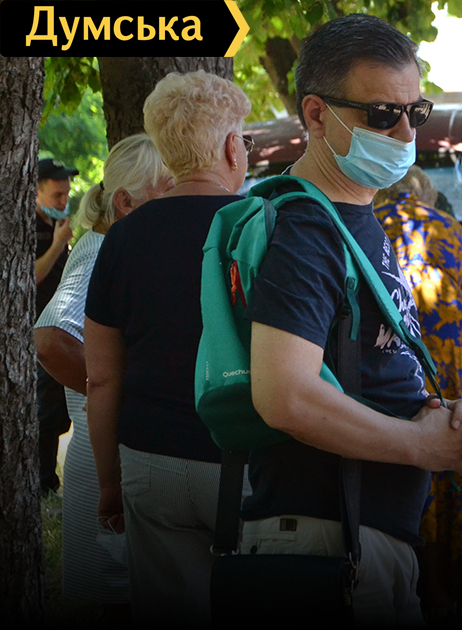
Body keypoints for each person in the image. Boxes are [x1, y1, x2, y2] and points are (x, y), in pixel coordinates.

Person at [240, 15, 462, 625]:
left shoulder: (354, 215)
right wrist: (419, 444)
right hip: (331, 545)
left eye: (416, 111)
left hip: (362, 539)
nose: (406, 132)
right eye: (383, 114)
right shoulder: (308, 229)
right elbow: (284, 396)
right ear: (316, 114)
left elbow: (365, 363)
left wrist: (437, 422)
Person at [84, 71, 250, 624]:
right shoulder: (259, 227)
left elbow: (101, 378)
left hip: (149, 459)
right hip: (244, 454)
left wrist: (109, 482)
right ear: (232, 147)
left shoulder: (122, 237)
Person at [35, 135, 172, 612]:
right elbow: (50, 339)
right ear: (126, 202)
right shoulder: (101, 249)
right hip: (105, 463)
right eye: (168, 189)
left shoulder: (117, 245)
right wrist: (117, 396)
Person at [373, 167, 462, 616]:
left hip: (390, 363)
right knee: (457, 446)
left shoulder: (367, 223)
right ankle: (460, 581)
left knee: (406, 453)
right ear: (426, 195)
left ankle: (420, 582)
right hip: (447, 362)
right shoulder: (448, 227)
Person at [35, 157, 78, 496]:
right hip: (35, 333)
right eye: (57, 195)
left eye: (67, 194)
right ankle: (42, 482)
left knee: (56, 412)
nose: (64, 201)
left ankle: (48, 480)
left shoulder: (56, 223)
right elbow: (28, 278)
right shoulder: (24, 226)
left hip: (59, 327)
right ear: (35, 193)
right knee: (44, 413)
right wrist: (56, 245)